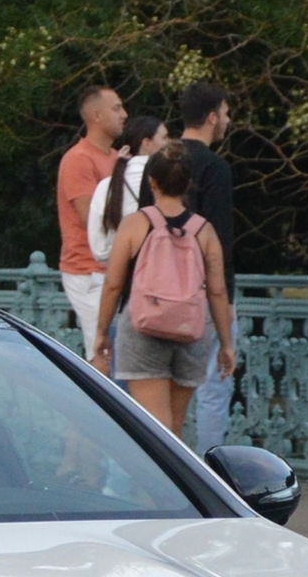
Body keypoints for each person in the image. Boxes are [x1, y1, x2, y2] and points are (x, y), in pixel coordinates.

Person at [92, 145, 235, 437]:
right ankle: (177, 481)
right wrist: (226, 344)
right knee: (175, 428)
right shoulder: (204, 230)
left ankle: (154, 483)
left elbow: (114, 284)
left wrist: (102, 332)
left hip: (144, 327)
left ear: (152, 182)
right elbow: (218, 291)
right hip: (191, 330)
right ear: (188, 184)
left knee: (154, 428)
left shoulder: (135, 224)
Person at [175, 81, 235, 445]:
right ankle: (209, 473)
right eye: (226, 113)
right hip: (203, 290)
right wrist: (225, 299)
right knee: (214, 387)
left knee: (161, 394)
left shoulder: (160, 160)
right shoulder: (214, 167)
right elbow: (219, 240)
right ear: (212, 117)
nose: (228, 121)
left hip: (160, 291)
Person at [55, 85, 125, 353]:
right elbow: (91, 221)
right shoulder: (78, 159)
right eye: (116, 108)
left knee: (119, 358)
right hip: (88, 271)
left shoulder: (118, 159)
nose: (124, 114)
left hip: (115, 270)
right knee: (102, 354)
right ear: (96, 116)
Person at [85, 113, 166, 267]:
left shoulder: (106, 185)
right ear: (147, 143)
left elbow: (98, 248)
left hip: (119, 271)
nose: (170, 143)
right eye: (165, 138)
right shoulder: (167, 182)